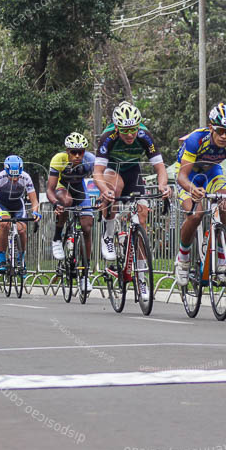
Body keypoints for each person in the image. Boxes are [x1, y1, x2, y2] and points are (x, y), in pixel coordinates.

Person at [93, 101, 172, 302]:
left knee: (142, 214)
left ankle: (142, 277)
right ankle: (109, 235)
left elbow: (160, 168)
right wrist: (104, 191)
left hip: (133, 172)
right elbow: (97, 173)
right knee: (114, 188)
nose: (130, 135)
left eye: (133, 130)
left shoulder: (145, 136)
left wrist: (163, 186)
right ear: (117, 128)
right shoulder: (107, 138)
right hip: (113, 171)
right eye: (125, 130)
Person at [174, 103, 226, 286]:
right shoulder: (197, 139)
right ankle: (183, 258)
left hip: (212, 172)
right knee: (196, 214)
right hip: (189, 176)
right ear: (211, 127)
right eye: (220, 131)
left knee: (225, 204)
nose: (224, 136)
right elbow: (182, 177)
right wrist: (192, 190)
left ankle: (222, 259)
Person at [47, 133, 96, 292]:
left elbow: (100, 179)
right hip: (63, 189)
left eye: (80, 152)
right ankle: (57, 237)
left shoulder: (90, 160)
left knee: (87, 227)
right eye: (73, 152)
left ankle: (85, 274)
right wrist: (55, 203)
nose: (77, 156)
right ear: (67, 151)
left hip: (80, 191)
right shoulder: (58, 159)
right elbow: (50, 189)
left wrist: (105, 195)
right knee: (66, 202)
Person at [0, 155, 40, 273]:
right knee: (4, 224)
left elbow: (34, 200)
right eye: (12, 176)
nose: (15, 178)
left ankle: (21, 259)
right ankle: (1, 259)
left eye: (17, 175)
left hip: (17, 205)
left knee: (22, 229)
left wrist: (35, 212)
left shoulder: (26, 177)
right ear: (6, 171)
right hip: (2, 205)